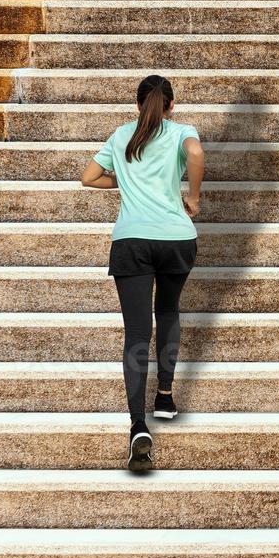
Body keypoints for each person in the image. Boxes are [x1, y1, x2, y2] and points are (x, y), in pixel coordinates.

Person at [81, 75, 204, 473]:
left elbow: (87, 178)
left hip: (132, 241)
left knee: (136, 333)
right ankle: (165, 397)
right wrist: (194, 198)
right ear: (171, 105)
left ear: (138, 106)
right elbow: (197, 154)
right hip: (175, 238)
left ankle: (138, 426)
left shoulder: (121, 136)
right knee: (167, 311)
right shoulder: (183, 131)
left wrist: (125, 179)